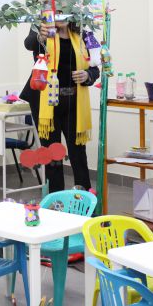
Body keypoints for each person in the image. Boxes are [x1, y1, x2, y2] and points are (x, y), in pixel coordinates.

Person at [19, 19, 100, 193]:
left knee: (78, 152)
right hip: (45, 101)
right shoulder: (42, 30)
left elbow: (95, 67)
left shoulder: (82, 35)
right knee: (52, 154)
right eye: (58, 12)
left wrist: (87, 75)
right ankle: (55, 201)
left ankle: (84, 199)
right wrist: (41, 34)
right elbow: (29, 43)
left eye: (65, 12)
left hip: (73, 101)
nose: (61, 16)